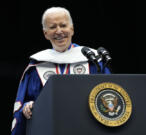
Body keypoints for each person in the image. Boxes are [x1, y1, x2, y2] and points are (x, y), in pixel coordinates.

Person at [11, 7, 110, 135]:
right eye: (52, 27)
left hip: (87, 128)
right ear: (45, 33)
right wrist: (27, 106)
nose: (59, 31)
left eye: (63, 25)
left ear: (72, 29)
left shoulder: (91, 60)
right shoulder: (37, 65)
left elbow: (108, 92)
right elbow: (25, 102)